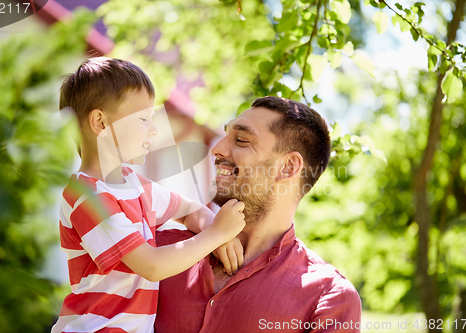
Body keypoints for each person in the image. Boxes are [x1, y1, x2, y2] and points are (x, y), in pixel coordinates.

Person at [51, 57, 245, 333]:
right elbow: (152, 266)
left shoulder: (135, 185)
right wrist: (215, 236)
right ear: (100, 123)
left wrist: (217, 229)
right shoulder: (87, 198)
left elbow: (190, 209)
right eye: (143, 119)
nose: (154, 129)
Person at [155, 96, 362, 332]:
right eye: (226, 134)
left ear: (288, 167)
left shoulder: (327, 297)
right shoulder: (156, 249)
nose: (216, 149)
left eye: (241, 140)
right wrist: (195, 215)